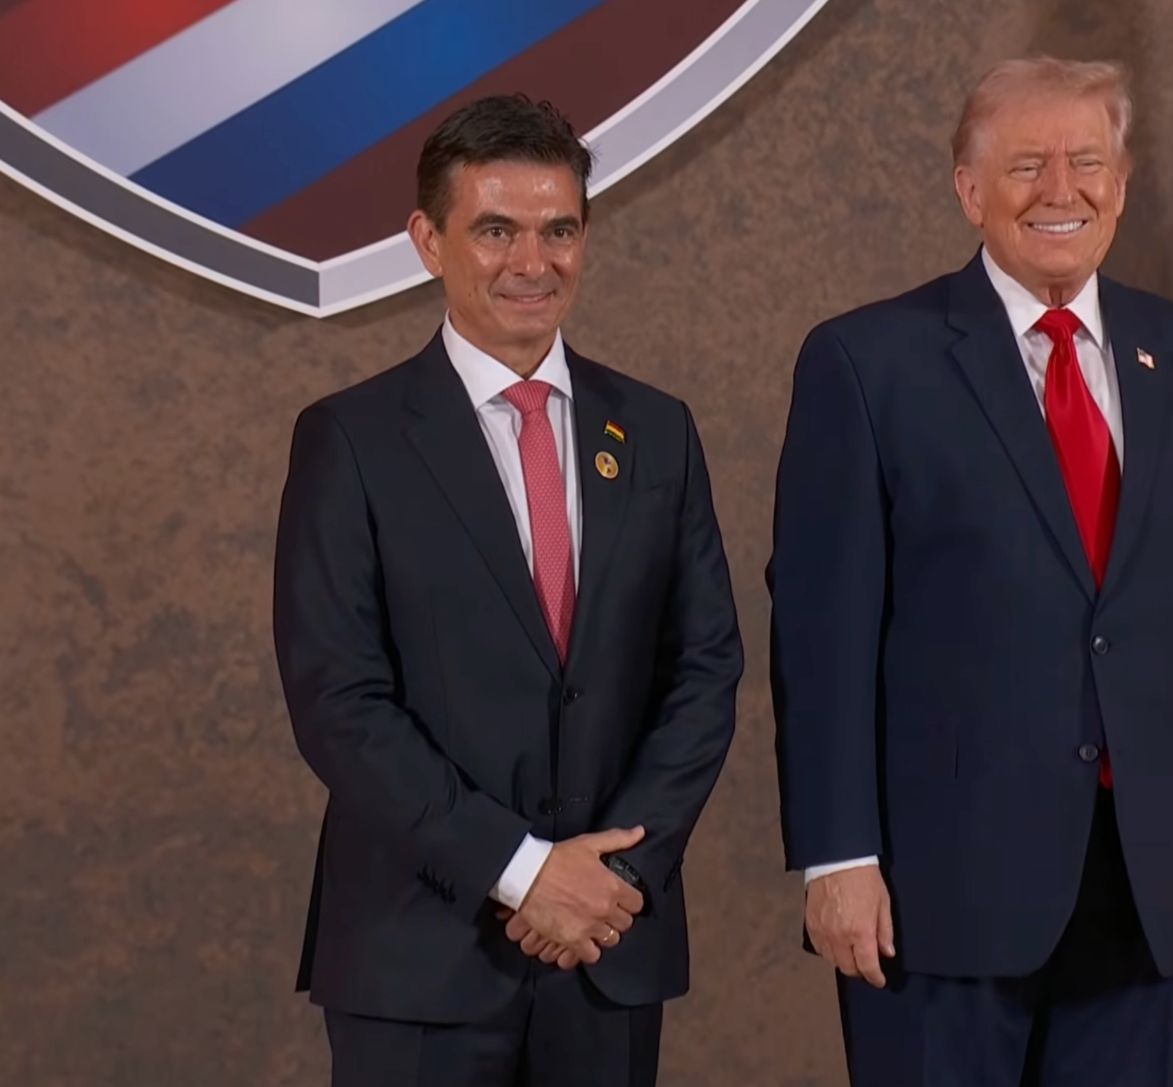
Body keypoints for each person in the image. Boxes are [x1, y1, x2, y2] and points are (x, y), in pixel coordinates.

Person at [769, 58, 1173, 1086]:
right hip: (936, 890)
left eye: (1087, 161)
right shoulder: (868, 363)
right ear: (969, 190)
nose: (1061, 190)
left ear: (1121, 185)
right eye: (1025, 166)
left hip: (1148, 879)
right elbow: (821, 641)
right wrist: (837, 857)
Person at [273, 94, 742, 1087]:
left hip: (607, 944)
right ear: (427, 242)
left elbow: (704, 671)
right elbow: (339, 700)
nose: (532, 261)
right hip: (419, 956)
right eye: (495, 230)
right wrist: (522, 870)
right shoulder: (351, 440)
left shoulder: (656, 431)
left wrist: (611, 877)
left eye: (558, 230)